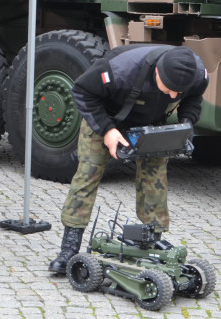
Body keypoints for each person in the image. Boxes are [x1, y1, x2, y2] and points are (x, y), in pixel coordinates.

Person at [48, 45, 209, 274]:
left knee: (155, 179)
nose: (173, 96)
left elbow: (193, 99)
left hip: (150, 125)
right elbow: (82, 91)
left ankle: (151, 241)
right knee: (88, 173)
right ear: (157, 73)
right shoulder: (120, 69)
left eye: (178, 92)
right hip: (104, 118)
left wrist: (185, 125)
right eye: (170, 89)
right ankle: (69, 248)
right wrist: (107, 130)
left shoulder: (197, 75)